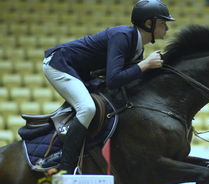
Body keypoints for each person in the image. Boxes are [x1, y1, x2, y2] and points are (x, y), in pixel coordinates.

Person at [42, 0, 175, 174]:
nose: (167, 28)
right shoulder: (123, 36)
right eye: (163, 23)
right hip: (59, 64)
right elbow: (113, 80)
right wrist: (144, 65)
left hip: (80, 72)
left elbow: (125, 80)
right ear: (149, 24)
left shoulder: (137, 47)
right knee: (87, 108)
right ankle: (65, 168)